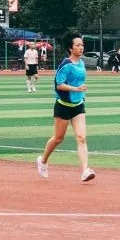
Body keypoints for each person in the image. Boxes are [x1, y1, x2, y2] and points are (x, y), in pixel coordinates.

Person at [36, 33, 95, 182]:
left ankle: (85, 171)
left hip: (78, 106)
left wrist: (81, 95)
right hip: (63, 106)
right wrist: (76, 89)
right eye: (77, 45)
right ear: (70, 48)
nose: (81, 47)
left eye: (82, 45)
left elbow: (79, 83)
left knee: (81, 137)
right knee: (58, 138)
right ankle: (43, 160)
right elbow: (59, 85)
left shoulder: (81, 63)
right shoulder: (66, 64)